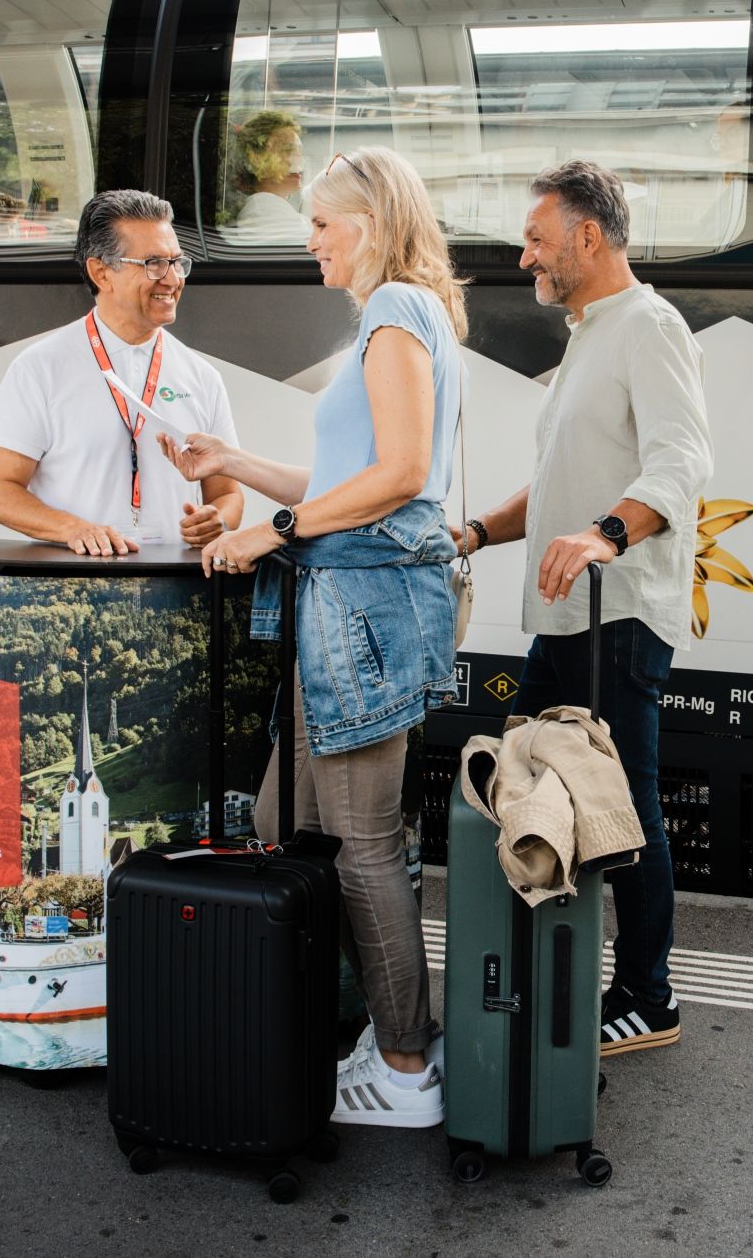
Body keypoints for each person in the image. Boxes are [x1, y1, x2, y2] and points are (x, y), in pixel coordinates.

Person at [160, 146, 463, 1128]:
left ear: (369, 225)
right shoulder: (400, 318)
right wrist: (235, 461)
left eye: (322, 224)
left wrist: (269, 531)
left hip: (364, 607)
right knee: (276, 821)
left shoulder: (393, 312)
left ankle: (407, 1065)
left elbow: (404, 473)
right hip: (349, 605)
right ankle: (358, 1025)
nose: (309, 240)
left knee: (359, 844)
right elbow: (347, 477)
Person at [463, 159, 712, 1057]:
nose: (525, 255)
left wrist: (607, 533)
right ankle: (550, 969)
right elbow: (559, 483)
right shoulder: (588, 335)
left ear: (588, 237)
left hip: (619, 617)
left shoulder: (648, 325)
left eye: (537, 239)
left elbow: (681, 462)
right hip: (565, 620)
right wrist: (476, 533)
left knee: (622, 808)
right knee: (524, 790)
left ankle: (650, 994)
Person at [0, 190, 243, 555]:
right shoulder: (40, 367)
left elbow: (227, 493)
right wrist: (73, 529)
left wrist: (219, 520)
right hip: (74, 589)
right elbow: (0, 494)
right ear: (101, 272)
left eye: (177, 262)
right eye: (153, 263)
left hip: (175, 591)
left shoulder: (201, 375)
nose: (171, 279)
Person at [225, 110, 312, 246]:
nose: (300, 159)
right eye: (288, 150)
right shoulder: (263, 209)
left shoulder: (271, 207)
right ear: (257, 159)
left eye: (299, 151)